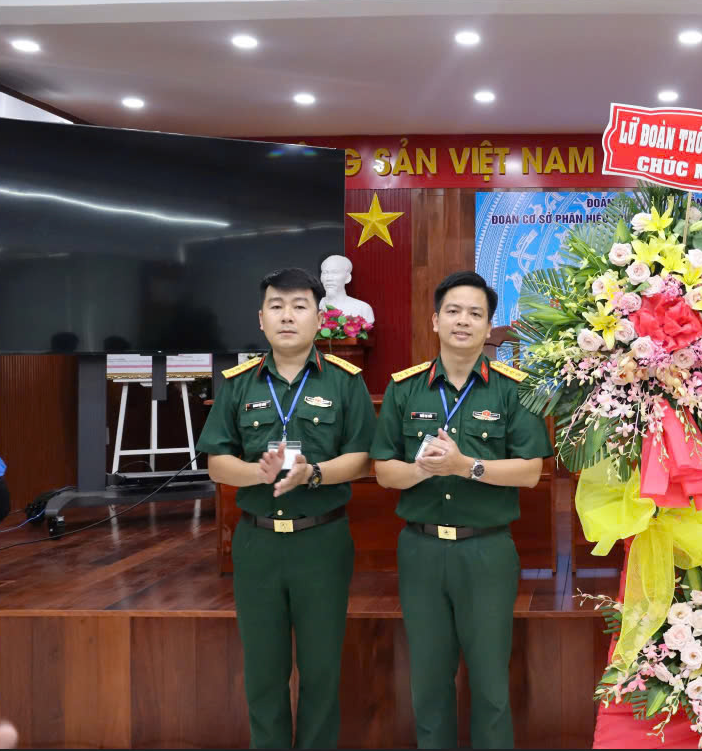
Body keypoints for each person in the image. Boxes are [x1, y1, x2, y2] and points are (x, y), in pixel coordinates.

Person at [371, 271, 553, 749]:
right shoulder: (405, 388)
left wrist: (464, 465)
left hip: (486, 551)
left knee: (491, 685)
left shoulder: (514, 389)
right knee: (429, 683)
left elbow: (530, 471)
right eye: (453, 311)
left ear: (489, 326)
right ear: (435, 320)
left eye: (475, 313)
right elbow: (384, 471)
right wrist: (424, 470)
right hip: (421, 550)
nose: (463, 321)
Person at [197, 267, 376, 749]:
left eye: (299, 307)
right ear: (261, 319)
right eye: (276, 307)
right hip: (257, 544)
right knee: (263, 673)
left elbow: (362, 460)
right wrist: (260, 473)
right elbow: (216, 463)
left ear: (320, 319)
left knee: (321, 671)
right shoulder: (238, 384)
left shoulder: (345, 382)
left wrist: (311, 473)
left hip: (322, 541)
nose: (287, 316)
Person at [318, 254, 375, 324]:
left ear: (348, 278)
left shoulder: (362, 308)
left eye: (335, 273)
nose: (329, 278)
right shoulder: (315, 305)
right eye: (325, 273)